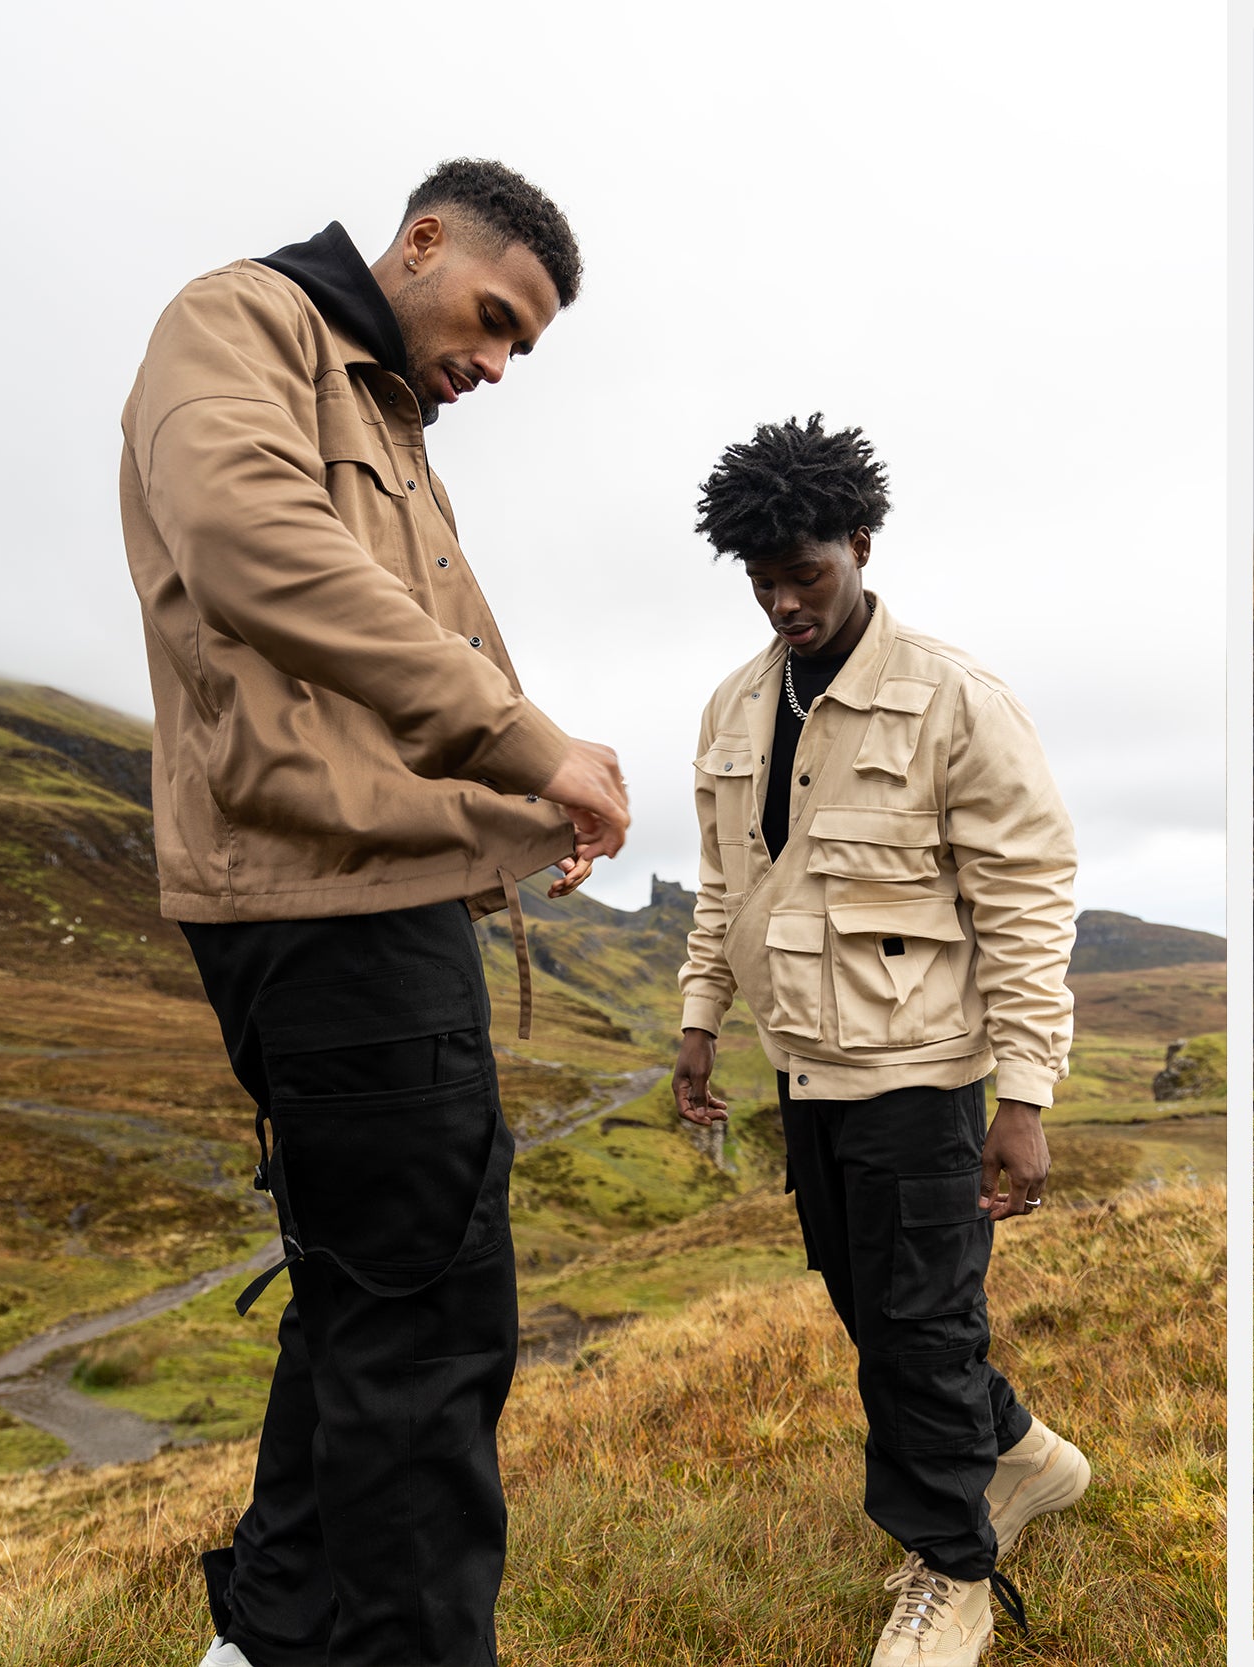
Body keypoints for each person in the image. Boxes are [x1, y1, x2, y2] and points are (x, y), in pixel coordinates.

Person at [118, 159, 631, 1667]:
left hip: (363, 887)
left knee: (364, 1292)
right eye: (492, 317)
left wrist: (520, 805)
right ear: (418, 244)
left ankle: (270, 1635)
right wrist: (528, 740)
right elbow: (254, 548)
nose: (494, 362)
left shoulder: (388, 409)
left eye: (522, 349)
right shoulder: (241, 321)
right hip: (323, 906)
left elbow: (363, 683)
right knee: (428, 1327)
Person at [672, 417, 1091, 1667]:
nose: (786, 599)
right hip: (807, 1071)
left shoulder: (956, 698)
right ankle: (1022, 1453)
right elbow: (720, 881)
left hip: (927, 1075)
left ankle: (952, 1570)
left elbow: (1027, 893)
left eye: (806, 570)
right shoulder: (736, 706)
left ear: (861, 540)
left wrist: (1024, 1094)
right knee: (879, 1309)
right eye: (762, 580)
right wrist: (697, 1022)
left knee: (917, 1322)